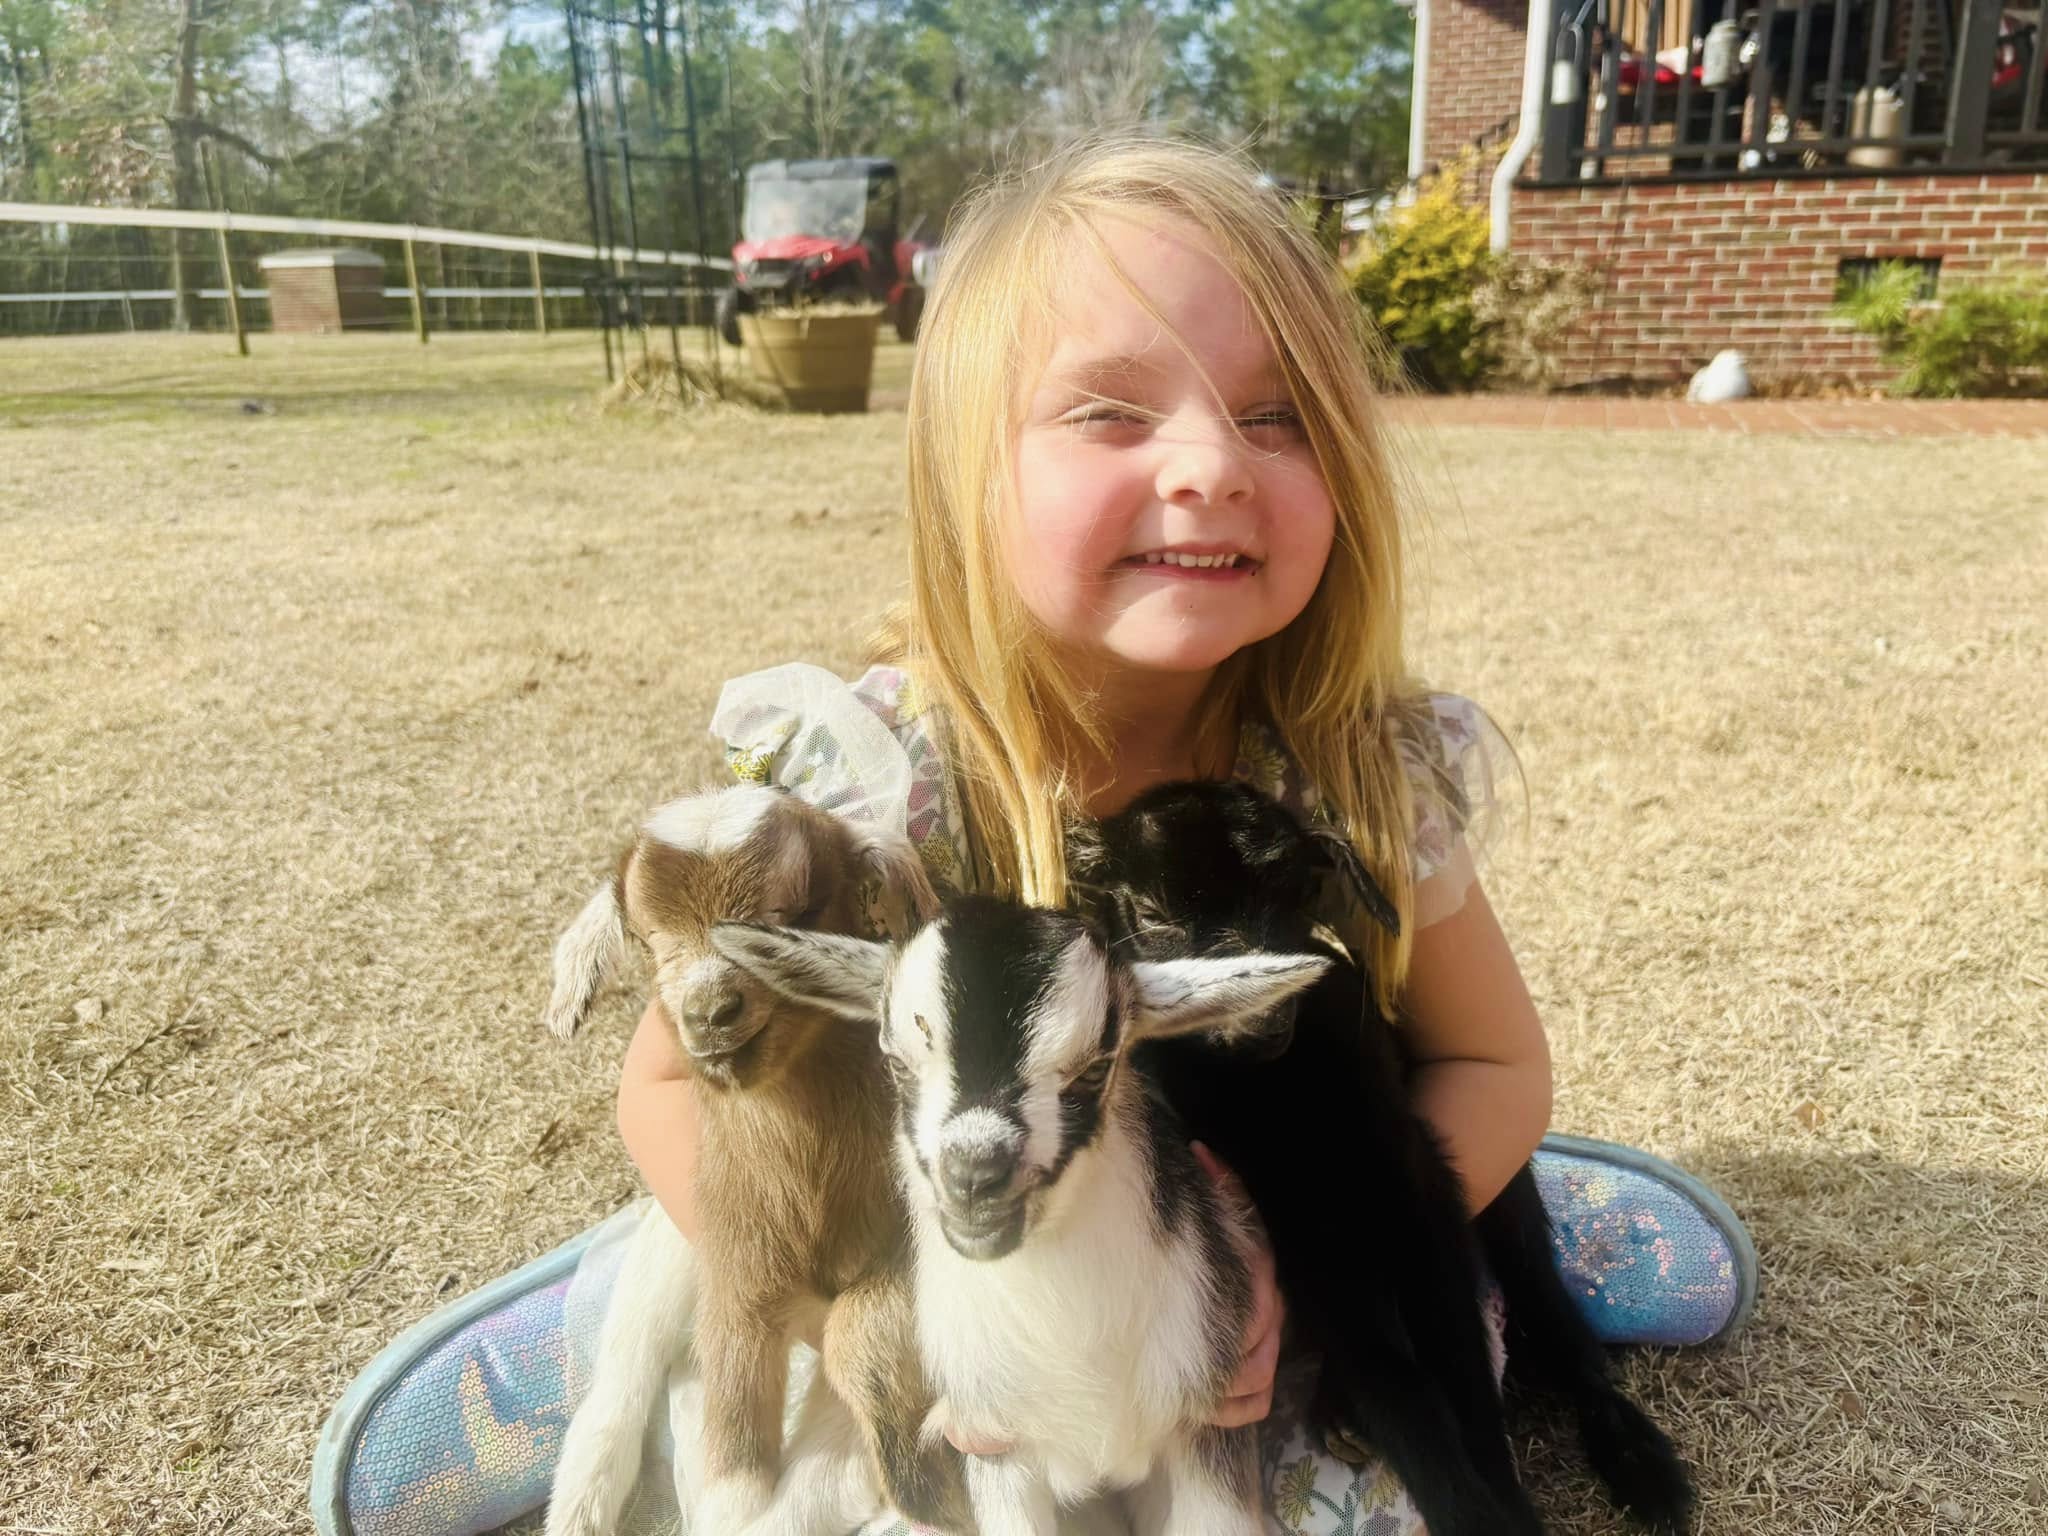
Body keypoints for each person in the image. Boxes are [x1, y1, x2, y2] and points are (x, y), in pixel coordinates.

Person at [309, 135, 1754, 1536]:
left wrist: (1278, 1277)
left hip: (1218, 1250)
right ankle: (572, 1324)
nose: (1213, 465)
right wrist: (866, 1315)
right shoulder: (877, 788)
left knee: (1350, 1465)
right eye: (1113, 414)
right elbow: (675, 1091)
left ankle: (1562, 1212)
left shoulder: (1359, 764)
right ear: (962, 476)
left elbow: (1491, 1062)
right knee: (799, 1420)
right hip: (915, 1241)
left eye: (1278, 414)